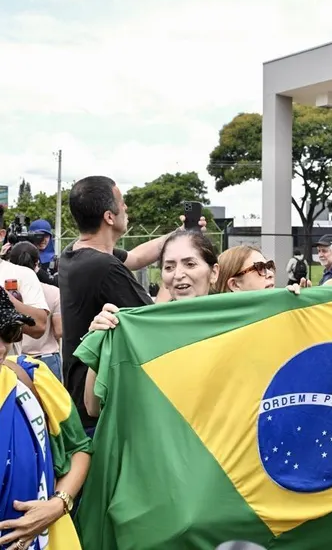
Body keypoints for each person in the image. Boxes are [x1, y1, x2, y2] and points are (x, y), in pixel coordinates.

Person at [58, 176, 205, 433]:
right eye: (122, 203)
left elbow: (137, 257)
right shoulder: (104, 268)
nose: (126, 208)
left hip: (79, 397)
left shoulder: (74, 252)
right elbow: (154, 321)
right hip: (99, 407)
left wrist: (179, 236)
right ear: (109, 217)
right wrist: (173, 280)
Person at [0, 286, 92, 550]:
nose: (2, 348)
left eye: (8, 334)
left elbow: (79, 448)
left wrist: (57, 504)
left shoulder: (33, 378)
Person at [9, 242, 63, 380]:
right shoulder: (53, 291)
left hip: (16, 359)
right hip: (47, 359)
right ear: (37, 263)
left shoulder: (8, 292)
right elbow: (59, 331)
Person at [0, 210, 50, 350]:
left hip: (6, 367)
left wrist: (6, 300)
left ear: (1, 234)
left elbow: (39, 326)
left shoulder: (21, 274)